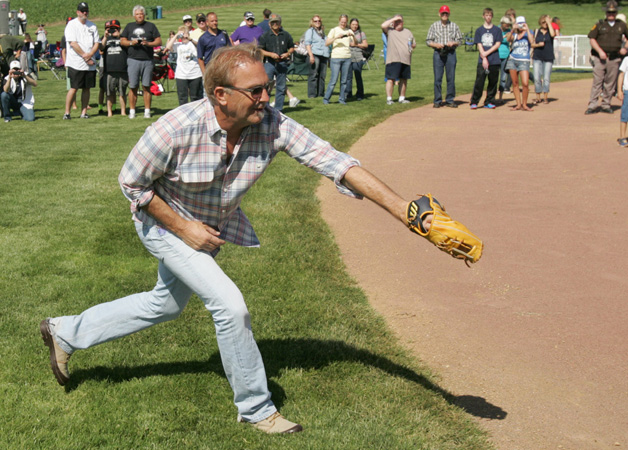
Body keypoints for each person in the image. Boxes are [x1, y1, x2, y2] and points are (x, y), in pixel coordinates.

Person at [39, 42, 433, 435]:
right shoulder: (175, 128)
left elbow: (336, 162)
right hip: (162, 224)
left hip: (206, 228)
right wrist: (184, 228)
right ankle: (256, 408)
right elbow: (132, 185)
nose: (267, 97)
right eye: (256, 91)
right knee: (230, 306)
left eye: (268, 86)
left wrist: (404, 211)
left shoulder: (272, 124)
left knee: (164, 305)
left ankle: (65, 332)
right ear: (221, 95)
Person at [585, 0, 628, 115]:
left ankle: (606, 104)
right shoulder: (600, 24)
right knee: (597, 81)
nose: (611, 14)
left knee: (610, 82)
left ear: (616, 13)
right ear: (606, 13)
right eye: (609, 12)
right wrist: (600, 51)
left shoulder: (621, 25)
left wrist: (625, 48)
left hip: (614, 58)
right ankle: (592, 105)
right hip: (600, 58)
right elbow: (592, 39)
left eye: (613, 12)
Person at [120, 5, 162, 119]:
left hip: (147, 60)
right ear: (134, 15)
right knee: (133, 86)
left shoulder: (151, 26)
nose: (140, 16)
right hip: (133, 59)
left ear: (144, 15)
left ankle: (147, 111)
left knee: (146, 86)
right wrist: (131, 43)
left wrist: (148, 44)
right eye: (138, 14)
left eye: (141, 14)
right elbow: (122, 40)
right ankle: (132, 111)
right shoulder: (129, 26)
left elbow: (158, 40)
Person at [63, 2, 99, 120]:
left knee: (87, 88)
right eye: (82, 11)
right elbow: (72, 43)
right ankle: (67, 113)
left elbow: (96, 43)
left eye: (86, 11)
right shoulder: (71, 25)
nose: (85, 13)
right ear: (77, 12)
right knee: (74, 88)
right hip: (76, 63)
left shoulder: (92, 26)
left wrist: (91, 55)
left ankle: (84, 112)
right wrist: (85, 56)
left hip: (90, 63)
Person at [426, 5, 463, 108]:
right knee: (438, 78)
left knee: (451, 78)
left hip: (450, 53)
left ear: (449, 14)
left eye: (446, 13)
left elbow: (460, 41)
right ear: (439, 14)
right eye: (443, 13)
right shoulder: (434, 26)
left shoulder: (454, 26)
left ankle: (450, 99)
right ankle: (437, 100)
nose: (444, 15)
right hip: (438, 53)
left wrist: (453, 43)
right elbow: (428, 41)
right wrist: (436, 45)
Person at [258, 14, 293, 111]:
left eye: (277, 22)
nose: (275, 24)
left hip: (282, 63)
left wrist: (287, 53)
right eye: (273, 22)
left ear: (280, 23)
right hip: (269, 63)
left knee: (281, 87)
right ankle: (266, 108)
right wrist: (270, 54)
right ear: (269, 24)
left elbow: (291, 47)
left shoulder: (285, 35)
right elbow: (260, 50)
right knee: (267, 86)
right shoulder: (265, 36)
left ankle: (278, 109)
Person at [469, 8, 502, 110]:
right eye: (486, 15)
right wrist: (483, 57)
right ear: (483, 16)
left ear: (492, 17)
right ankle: (474, 101)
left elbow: (497, 44)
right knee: (479, 81)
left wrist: (486, 53)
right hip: (482, 60)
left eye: (490, 15)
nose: (488, 17)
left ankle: (489, 101)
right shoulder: (479, 30)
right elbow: (479, 44)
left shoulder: (497, 30)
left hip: (494, 60)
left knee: (493, 82)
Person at [381, 15, 416, 105]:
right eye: (396, 22)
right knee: (390, 79)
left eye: (400, 21)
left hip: (405, 59)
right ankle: (389, 99)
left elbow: (413, 43)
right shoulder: (390, 31)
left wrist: (412, 46)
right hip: (393, 59)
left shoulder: (408, 32)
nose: (398, 23)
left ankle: (402, 98)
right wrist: (394, 19)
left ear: (403, 22)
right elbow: (383, 26)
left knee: (404, 79)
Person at [166, 26, 203, 105]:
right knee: (182, 98)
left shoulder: (193, 43)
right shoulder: (178, 45)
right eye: (181, 35)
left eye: (184, 34)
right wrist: (176, 35)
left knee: (195, 97)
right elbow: (168, 47)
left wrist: (189, 38)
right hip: (181, 75)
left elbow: (200, 46)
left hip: (195, 74)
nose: (183, 36)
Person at [323, 14, 355, 105]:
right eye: (342, 22)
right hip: (336, 57)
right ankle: (326, 98)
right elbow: (327, 43)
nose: (343, 24)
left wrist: (353, 35)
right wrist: (337, 37)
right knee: (334, 80)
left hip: (347, 57)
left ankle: (342, 99)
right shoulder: (334, 30)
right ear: (339, 21)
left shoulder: (349, 31)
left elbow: (354, 43)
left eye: (345, 22)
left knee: (344, 80)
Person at [100, 19, 128, 116]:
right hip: (109, 69)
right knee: (109, 92)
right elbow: (101, 48)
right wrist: (105, 36)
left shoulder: (124, 38)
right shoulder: (106, 38)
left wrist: (119, 36)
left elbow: (128, 46)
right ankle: (109, 112)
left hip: (122, 68)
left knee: (122, 91)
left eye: (115, 28)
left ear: (119, 29)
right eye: (111, 28)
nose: (113, 30)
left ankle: (123, 112)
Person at [506, 16, 535, 111]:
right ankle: (518, 104)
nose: (521, 26)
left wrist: (527, 30)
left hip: (524, 60)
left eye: (522, 24)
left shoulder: (529, 32)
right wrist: (512, 30)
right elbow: (508, 40)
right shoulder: (514, 33)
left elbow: (532, 42)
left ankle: (525, 104)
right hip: (513, 59)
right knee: (515, 83)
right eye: (519, 24)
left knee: (525, 83)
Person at [532, 15, 557, 105]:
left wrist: (550, 23)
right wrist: (538, 45)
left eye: (546, 22)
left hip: (548, 57)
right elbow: (532, 44)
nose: (545, 24)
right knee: (537, 77)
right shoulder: (537, 31)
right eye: (543, 22)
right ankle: (538, 97)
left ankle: (545, 97)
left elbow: (553, 35)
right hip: (537, 56)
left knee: (546, 77)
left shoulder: (550, 31)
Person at [304, 15, 329, 98]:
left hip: (324, 55)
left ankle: (321, 93)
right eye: (315, 21)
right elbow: (307, 44)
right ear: (312, 22)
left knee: (322, 75)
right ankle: (312, 94)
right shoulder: (310, 31)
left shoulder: (322, 32)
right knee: (313, 75)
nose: (317, 22)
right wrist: (311, 55)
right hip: (315, 54)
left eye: (319, 21)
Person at [346, 18, 368, 101]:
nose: (355, 26)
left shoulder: (361, 34)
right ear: (350, 25)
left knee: (358, 76)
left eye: (356, 24)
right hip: (348, 56)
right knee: (348, 77)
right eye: (353, 24)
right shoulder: (346, 32)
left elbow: (365, 45)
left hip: (358, 57)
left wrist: (356, 44)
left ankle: (360, 94)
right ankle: (348, 93)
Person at [497, 16, 513, 105]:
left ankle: (500, 97)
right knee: (494, 76)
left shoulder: (509, 31)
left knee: (503, 77)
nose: (508, 26)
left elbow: (509, 40)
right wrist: (503, 36)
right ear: (502, 23)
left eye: (509, 25)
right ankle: (491, 96)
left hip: (505, 55)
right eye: (506, 24)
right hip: (496, 55)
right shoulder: (496, 29)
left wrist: (510, 33)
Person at [617, 55, 628, 146]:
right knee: (625, 114)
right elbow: (621, 75)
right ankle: (622, 137)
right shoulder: (627, 59)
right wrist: (619, 90)